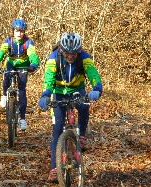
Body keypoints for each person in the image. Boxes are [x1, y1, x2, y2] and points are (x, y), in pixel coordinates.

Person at [38, 32, 102, 183]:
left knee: (84, 106)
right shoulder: (54, 58)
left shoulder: (84, 57)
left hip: (76, 90)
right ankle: (54, 168)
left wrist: (97, 88)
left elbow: (92, 73)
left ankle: (82, 135)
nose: (70, 56)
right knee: (57, 128)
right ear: (61, 49)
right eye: (67, 52)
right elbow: (48, 77)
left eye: (74, 53)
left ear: (79, 50)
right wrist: (45, 94)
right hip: (58, 92)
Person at [0, 19, 40, 131]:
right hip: (11, 64)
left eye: (21, 31)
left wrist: (34, 64)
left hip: (23, 67)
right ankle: (3, 95)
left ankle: (22, 119)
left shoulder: (28, 43)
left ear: (24, 32)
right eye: (17, 31)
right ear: (13, 31)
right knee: (6, 78)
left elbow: (33, 55)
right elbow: (0, 53)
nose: (19, 33)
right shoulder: (9, 41)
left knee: (22, 90)